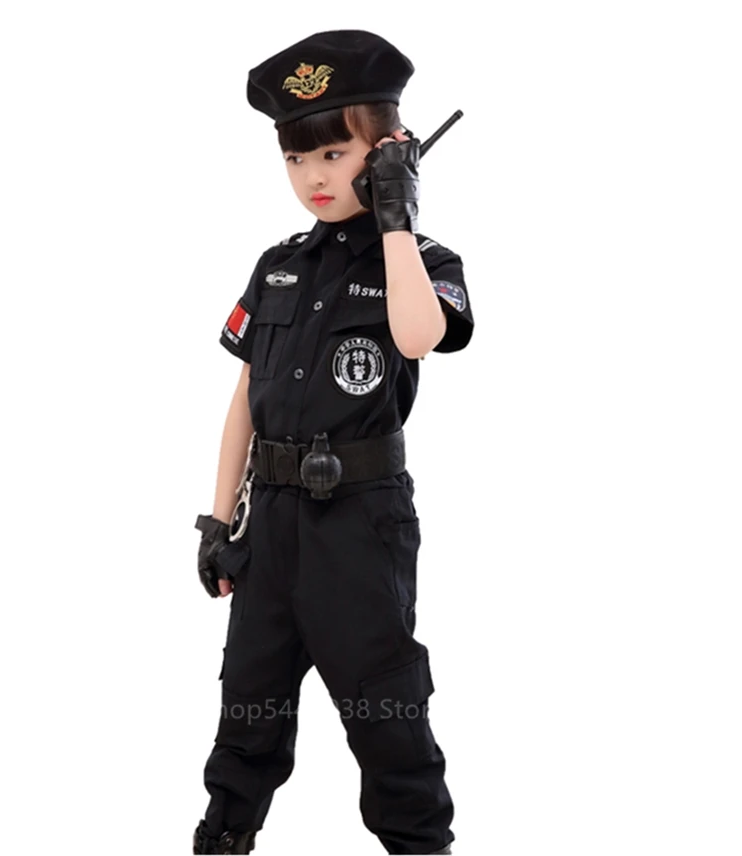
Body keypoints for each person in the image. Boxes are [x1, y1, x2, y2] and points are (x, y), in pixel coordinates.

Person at [192, 29, 473, 855]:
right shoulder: (278, 265)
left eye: (334, 152)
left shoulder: (421, 261)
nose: (313, 176)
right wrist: (218, 520)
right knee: (247, 713)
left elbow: (418, 337)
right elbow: (245, 398)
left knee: (387, 715)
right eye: (295, 158)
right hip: (271, 524)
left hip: (359, 526)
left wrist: (397, 217)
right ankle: (223, 840)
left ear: (388, 150)